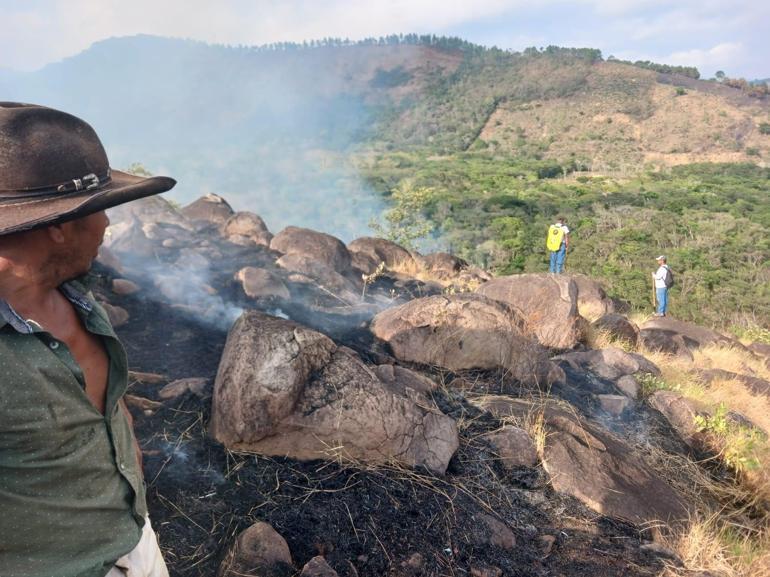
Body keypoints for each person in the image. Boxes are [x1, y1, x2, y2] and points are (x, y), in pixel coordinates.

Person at [0, 102, 176, 577]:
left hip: (134, 537)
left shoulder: (75, 293)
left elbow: (108, 405)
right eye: (99, 210)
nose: (109, 224)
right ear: (58, 226)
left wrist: (129, 459)